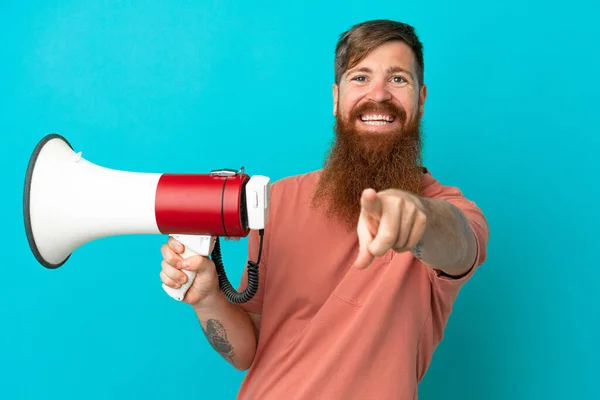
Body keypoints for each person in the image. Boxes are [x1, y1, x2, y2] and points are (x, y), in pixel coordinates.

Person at [159, 19, 489, 399]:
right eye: (360, 77)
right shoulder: (279, 200)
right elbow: (246, 351)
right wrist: (207, 298)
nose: (378, 94)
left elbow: (460, 243)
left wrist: (418, 217)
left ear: (421, 99)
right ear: (336, 98)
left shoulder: (449, 209)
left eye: (398, 79)